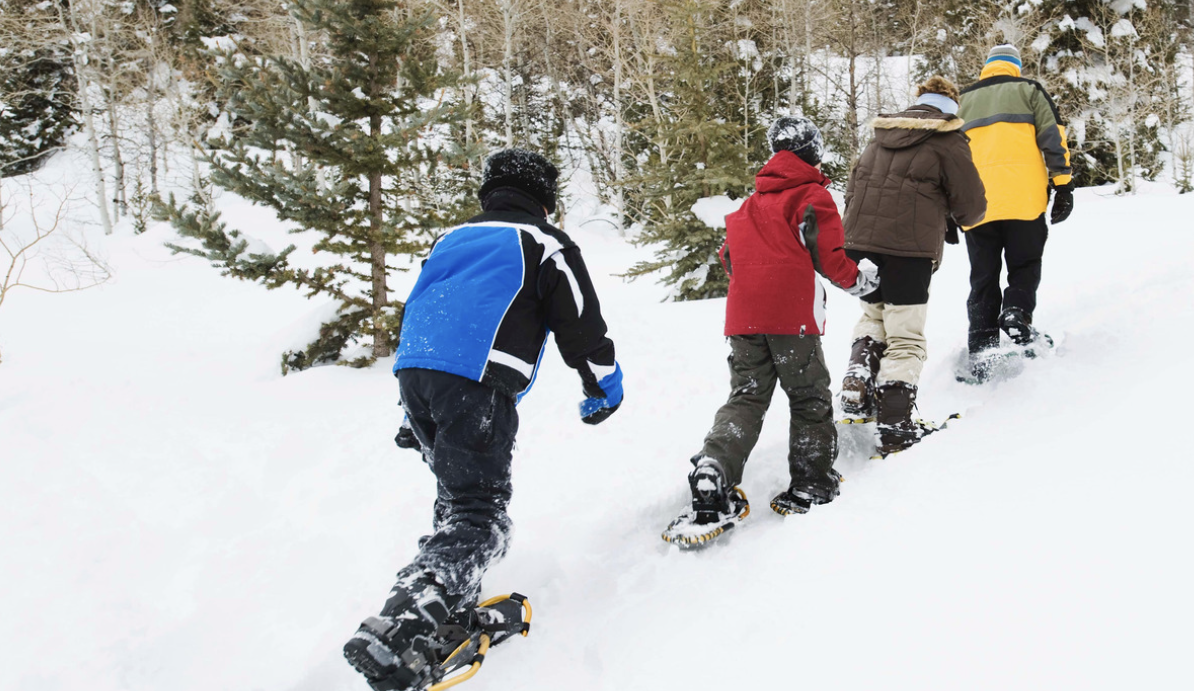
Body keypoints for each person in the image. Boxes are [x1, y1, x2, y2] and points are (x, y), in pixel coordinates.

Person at [345, 149, 624, 690]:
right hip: (474, 380)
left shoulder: (452, 239)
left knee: (457, 499)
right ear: (545, 199)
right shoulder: (545, 243)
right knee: (481, 517)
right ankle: (406, 618)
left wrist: (413, 410)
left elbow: (423, 307)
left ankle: (445, 614)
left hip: (417, 374)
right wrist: (603, 387)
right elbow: (582, 327)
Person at [664, 116, 877, 546]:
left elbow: (728, 257)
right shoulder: (811, 194)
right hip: (791, 317)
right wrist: (863, 282)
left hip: (743, 318)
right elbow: (831, 257)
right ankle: (812, 482)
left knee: (746, 397)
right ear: (812, 152)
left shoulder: (748, 204)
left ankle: (714, 468)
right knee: (809, 396)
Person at [839, 76, 987, 455]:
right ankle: (895, 425)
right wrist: (954, 217)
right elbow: (971, 206)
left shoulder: (881, 135)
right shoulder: (948, 139)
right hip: (908, 251)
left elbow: (853, 187)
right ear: (952, 107)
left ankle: (858, 380)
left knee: (874, 316)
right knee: (905, 334)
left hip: (859, 245)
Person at [957, 44, 1074, 382]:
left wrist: (949, 206)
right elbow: (1054, 137)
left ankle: (981, 354)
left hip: (977, 208)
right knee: (1024, 265)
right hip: (1025, 200)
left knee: (983, 278)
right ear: (1015, 67)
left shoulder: (962, 102)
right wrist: (1063, 185)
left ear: (988, 67)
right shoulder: (1029, 91)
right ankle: (1016, 313)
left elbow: (947, 156)